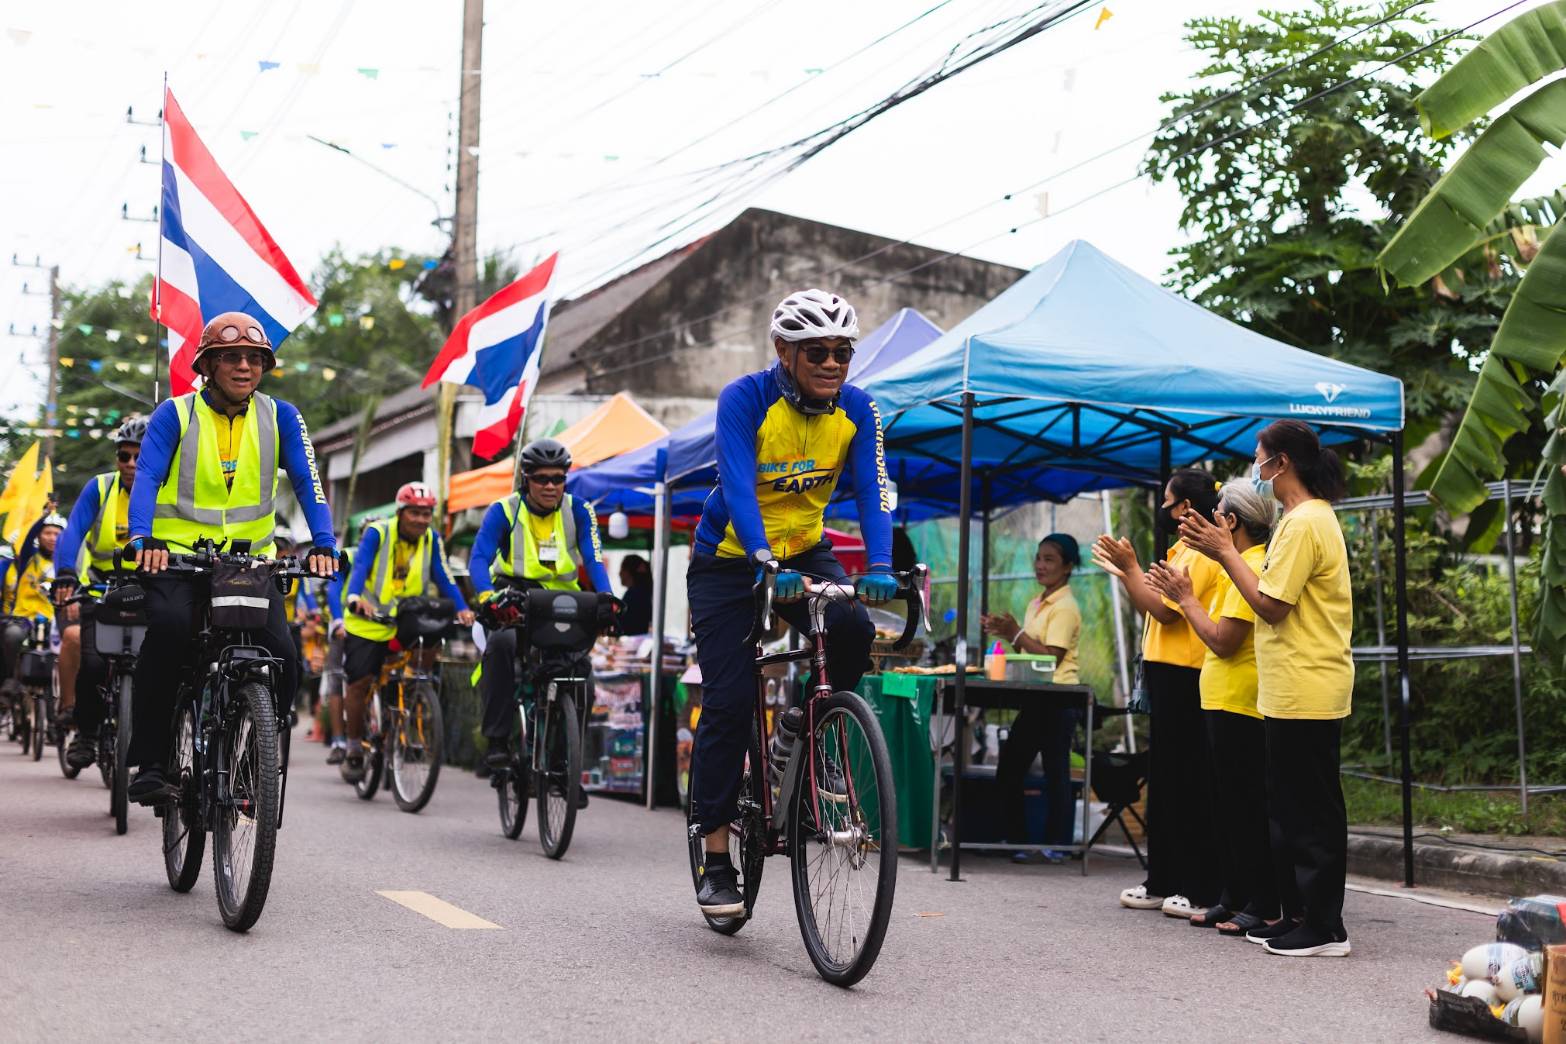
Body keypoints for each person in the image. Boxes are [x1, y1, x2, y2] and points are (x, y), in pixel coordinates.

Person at [687, 288, 897, 917]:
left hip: (804, 550)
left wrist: (880, 567)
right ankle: (717, 856)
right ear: (783, 350)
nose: (833, 363)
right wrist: (761, 560)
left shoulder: (859, 410)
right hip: (730, 557)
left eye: (842, 352)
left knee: (854, 627)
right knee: (726, 700)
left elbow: (874, 490)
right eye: (818, 353)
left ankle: (806, 735)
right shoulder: (745, 399)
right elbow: (737, 485)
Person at [122, 311, 338, 803]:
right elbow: (149, 479)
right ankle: (153, 762)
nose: (244, 366)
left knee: (285, 660)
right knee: (171, 631)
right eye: (231, 357)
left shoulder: (281, 416)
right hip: (178, 561)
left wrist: (323, 542)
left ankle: (250, 763)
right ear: (208, 365)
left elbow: (309, 482)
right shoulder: (173, 414)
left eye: (254, 359)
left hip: (251, 566)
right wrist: (142, 539)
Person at [1178, 420, 1354, 958]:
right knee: (1291, 808)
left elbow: (1271, 605)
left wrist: (1224, 552)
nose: (1255, 467)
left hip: (1309, 682)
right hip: (1288, 686)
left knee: (1311, 811)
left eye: (1259, 457)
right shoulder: (1300, 522)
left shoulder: (1305, 523)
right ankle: (1301, 915)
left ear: (1281, 463)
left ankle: (1325, 927)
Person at [1147, 481, 1278, 935]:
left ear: (1232, 522)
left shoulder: (1252, 566)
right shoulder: (1232, 569)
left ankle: (1260, 901)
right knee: (1226, 806)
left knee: (1246, 808)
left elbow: (1223, 641)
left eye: (1216, 512)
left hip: (1242, 700)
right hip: (1220, 699)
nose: (1206, 518)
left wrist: (1184, 598)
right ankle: (1234, 896)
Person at [1093, 468, 1225, 919]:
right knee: (1167, 782)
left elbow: (1167, 614)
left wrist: (1130, 570)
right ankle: (1163, 878)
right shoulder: (1184, 547)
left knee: (1188, 782)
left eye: (1168, 502)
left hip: (1188, 674)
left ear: (1186, 506)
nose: (1164, 510)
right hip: (1165, 673)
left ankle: (1194, 882)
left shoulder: (1205, 552)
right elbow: (1156, 601)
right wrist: (1127, 573)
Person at [469, 438, 612, 770]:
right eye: (542, 478)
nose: (550, 486)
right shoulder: (503, 510)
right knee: (501, 646)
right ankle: (497, 741)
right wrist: (487, 597)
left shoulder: (580, 510)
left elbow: (593, 559)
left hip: (563, 602)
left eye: (558, 478)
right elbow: (479, 558)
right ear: (526, 478)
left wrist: (606, 598)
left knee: (582, 677)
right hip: (515, 596)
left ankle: (565, 764)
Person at [341, 481, 473, 783]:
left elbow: (444, 576)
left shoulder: (432, 539)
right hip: (369, 619)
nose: (421, 520)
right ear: (401, 512)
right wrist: (354, 597)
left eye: (427, 514)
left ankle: (412, 706)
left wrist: (463, 607)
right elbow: (360, 566)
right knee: (360, 682)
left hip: (406, 618)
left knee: (429, 643)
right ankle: (352, 745)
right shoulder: (378, 532)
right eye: (415, 513)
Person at [982, 533, 1083, 864]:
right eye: (1038, 558)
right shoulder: (1036, 602)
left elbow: (1051, 657)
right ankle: (1017, 840)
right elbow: (1029, 651)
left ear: (1068, 567)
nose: (1040, 565)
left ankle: (1060, 845)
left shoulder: (1065, 607)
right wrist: (1008, 634)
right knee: (1011, 767)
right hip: (1035, 695)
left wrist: (1016, 634)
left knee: (1057, 774)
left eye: (1049, 559)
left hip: (1058, 697)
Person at [51, 417, 145, 767]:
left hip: (152, 588)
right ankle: (87, 735)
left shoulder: (168, 489)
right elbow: (72, 532)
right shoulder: (100, 488)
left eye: (140, 455)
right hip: (102, 587)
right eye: (125, 456)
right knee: (92, 663)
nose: (132, 464)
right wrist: (64, 574)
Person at [2, 513, 64, 704]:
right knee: (11, 636)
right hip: (24, 619)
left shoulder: (65, 563)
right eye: (47, 533)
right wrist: (45, 514)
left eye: (57, 534)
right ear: (39, 536)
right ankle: (11, 679)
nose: (52, 538)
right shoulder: (27, 559)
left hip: (55, 622)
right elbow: (28, 537)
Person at [320, 537, 357, 764]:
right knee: (336, 681)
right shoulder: (349, 557)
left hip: (377, 628)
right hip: (345, 627)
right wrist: (339, 622)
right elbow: (334, 590)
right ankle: (337, 741)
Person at [618, 553, 654, 635]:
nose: (619, 573)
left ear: (629, 572)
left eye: (622, 569)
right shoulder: (643, 593)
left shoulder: (634, 595)